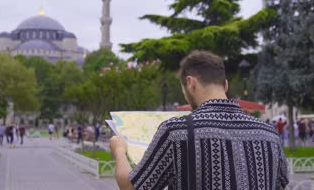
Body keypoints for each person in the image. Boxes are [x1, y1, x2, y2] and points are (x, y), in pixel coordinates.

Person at [110, 50, 289, 190]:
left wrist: (119, 149)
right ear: (225, 85)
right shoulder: (269, 133)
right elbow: (281, 182)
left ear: (191, 83)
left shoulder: (176, 132)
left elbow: (131, 186)